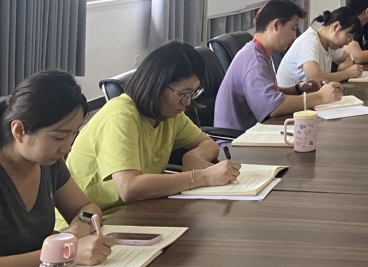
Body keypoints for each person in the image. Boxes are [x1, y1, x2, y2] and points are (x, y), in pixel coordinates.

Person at [62, 42, 240, 221]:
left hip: (136, 210)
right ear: (157, 85)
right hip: (91, 222)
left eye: (193, 93)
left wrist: (192, 156)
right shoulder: (122, 117)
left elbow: (208, 143)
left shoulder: (170, 115)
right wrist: (202, 177)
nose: (187, 103)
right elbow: (129, 188)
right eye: (183, 94)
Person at [0, 71, 115, 266]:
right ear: (19, 130)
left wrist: (79, 227)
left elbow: (87, 208)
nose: (67, 148)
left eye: (73, 135)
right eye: (58, 137)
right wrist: (63, 254)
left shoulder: (48, 162)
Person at [214, 0, 343, 131]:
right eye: (293, 28)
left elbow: (267, 94)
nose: (294, 36)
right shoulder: (254, 60)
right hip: (237, 139)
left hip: (254, 132)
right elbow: (272, 106)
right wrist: (320, 97)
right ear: (276, 25)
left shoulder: (258, 53)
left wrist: (297, 89)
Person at [276, 7, 364, 86]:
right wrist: (346, 74)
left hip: (309, 95)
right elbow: (314, 77)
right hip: (292, 97)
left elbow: (347, 57)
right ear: (336, 26)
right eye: (348, 36)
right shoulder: (309, 41)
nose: (348, 43)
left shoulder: (329, 44)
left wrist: (344, 65)